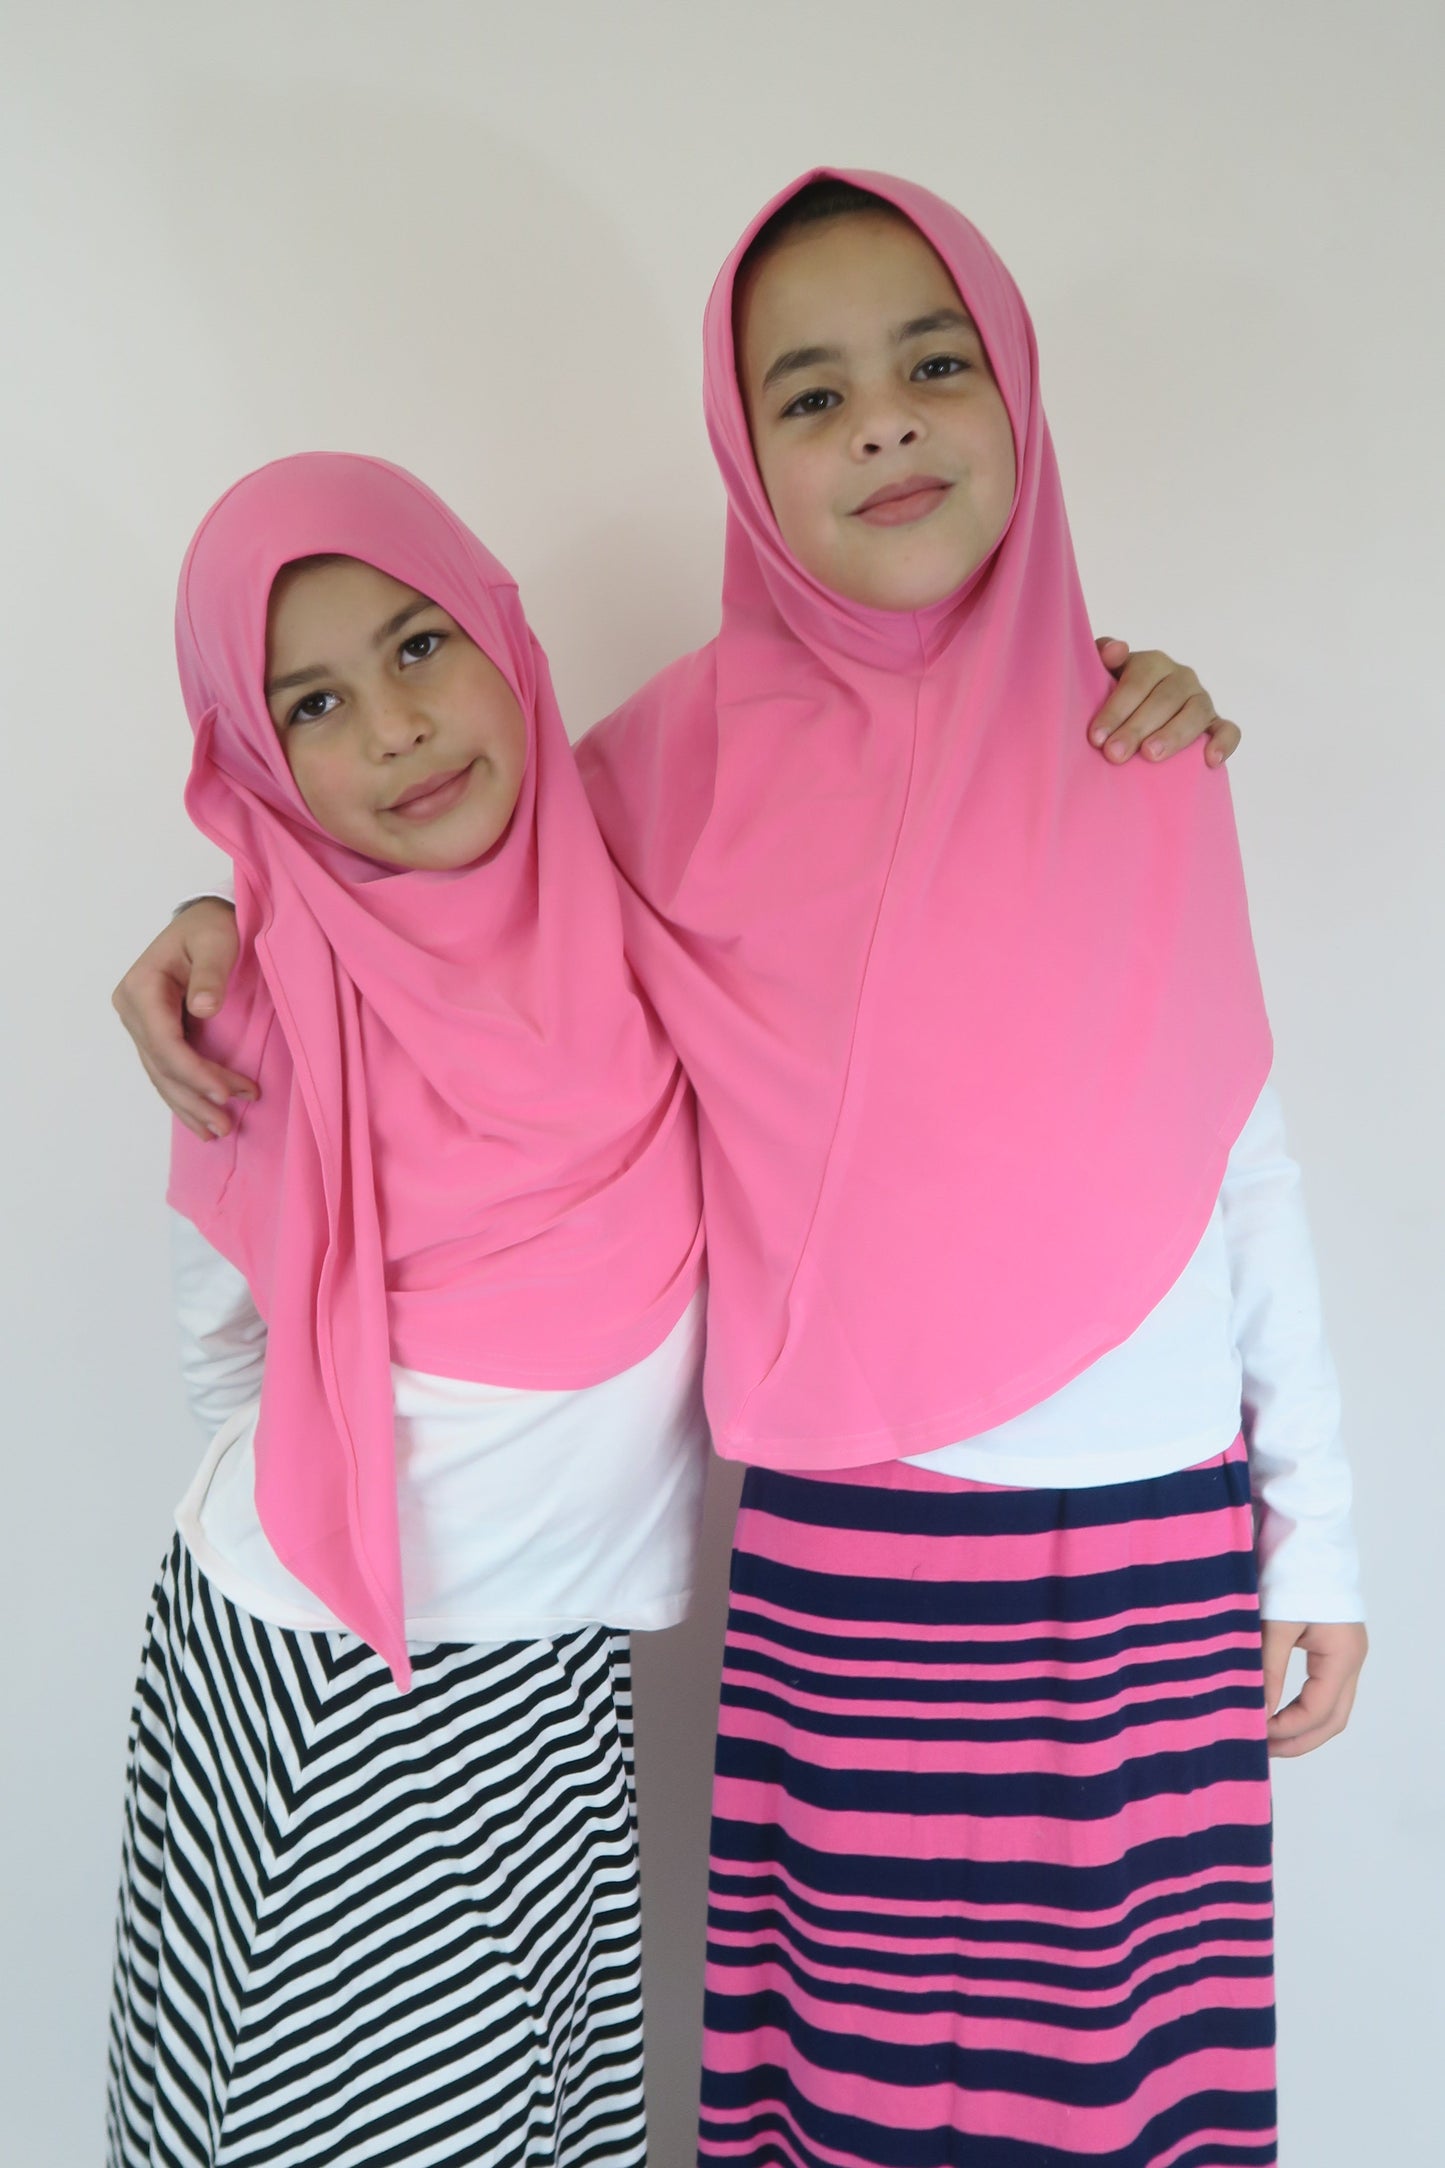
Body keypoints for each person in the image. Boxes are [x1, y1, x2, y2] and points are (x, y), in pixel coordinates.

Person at [572, 172, 1366, 2166]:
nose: (887, 424)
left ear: (1016, 390)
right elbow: (446, 917)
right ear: (746, 461)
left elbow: (1243, 1158)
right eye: (813, 395)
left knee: (1122, 2069)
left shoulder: (1139, 742)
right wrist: (228, 929)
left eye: (936, 364)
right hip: (861, 1549)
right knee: (864, 2061)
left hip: (1151, 1551)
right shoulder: (667, 771)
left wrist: (1321, 1534)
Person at [105, 451, 707, 2168]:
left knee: (540, 2124)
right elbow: (224, 1345)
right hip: (329, 1681)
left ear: (499, 636)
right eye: (313, 700)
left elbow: (854, 750)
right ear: (253, 755)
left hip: (555, 1689)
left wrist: (1091, 685)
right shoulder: (256, 998)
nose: (394, 727)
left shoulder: (644, 902)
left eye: (420, 643)